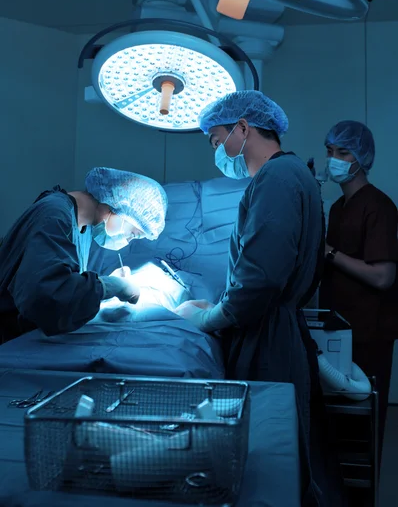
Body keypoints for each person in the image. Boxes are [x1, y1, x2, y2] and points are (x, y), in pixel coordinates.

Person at [176, 90, 346, 506]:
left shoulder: (277, 178)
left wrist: (211, 316)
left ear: (243, 128)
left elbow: (261, 278)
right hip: (273, 328)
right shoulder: (287, 177)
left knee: (267, 461)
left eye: (217, 140)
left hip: (268, 337)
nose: (217, 150)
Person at [0, 167, 168, 343]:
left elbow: (59, 278)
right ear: (119, 205)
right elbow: (48, 298)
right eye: (133, 233)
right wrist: (110, 286)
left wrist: (100, 284)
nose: (127, 240)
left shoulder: (82, 227)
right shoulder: (54, 215)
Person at [319, 120, 398, 470]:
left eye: (343, 152)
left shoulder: (378, 206)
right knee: (337, 424)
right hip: (337, 328)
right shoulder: (338, 208)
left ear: (361, 158)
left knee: (365, 420)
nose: (334, 159)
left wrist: (330, 254)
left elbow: (383, 276)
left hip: (369, 332)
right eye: (330, 152)